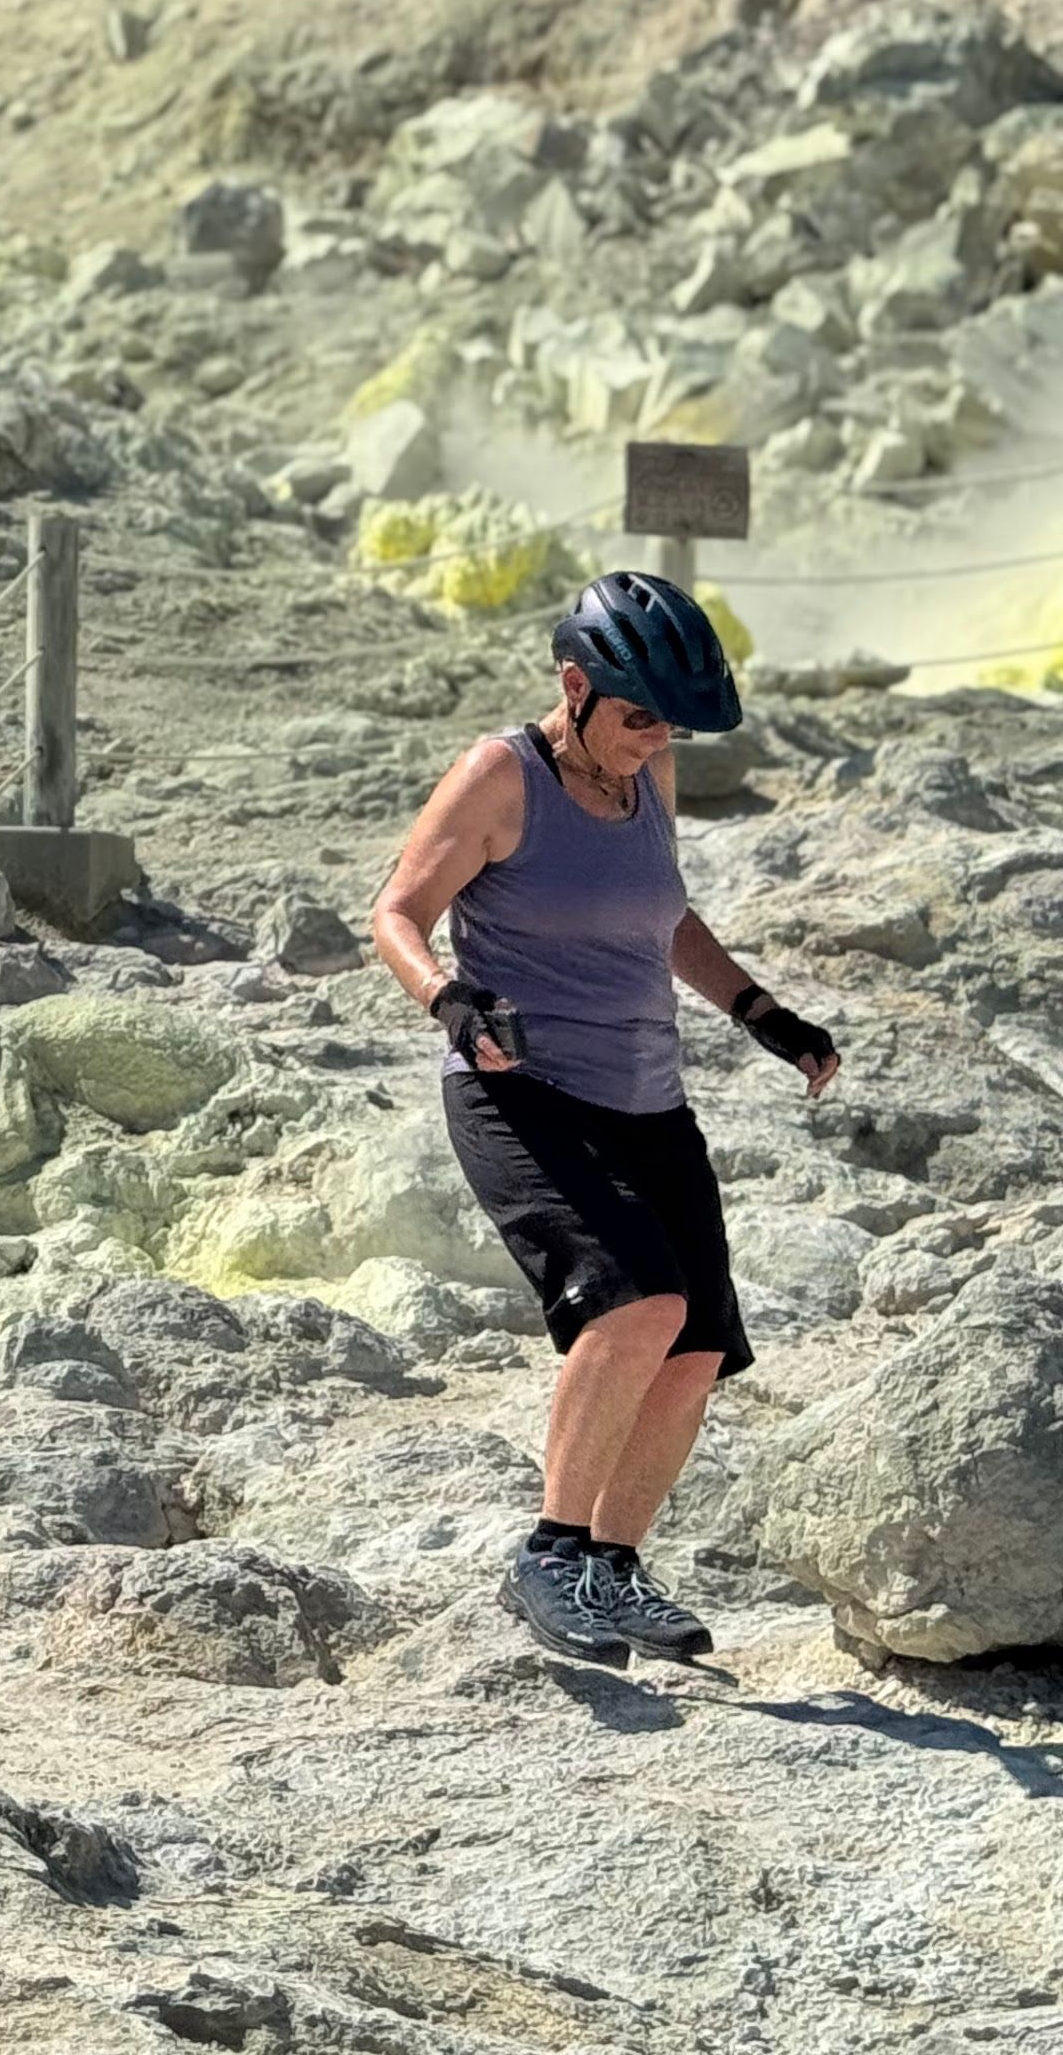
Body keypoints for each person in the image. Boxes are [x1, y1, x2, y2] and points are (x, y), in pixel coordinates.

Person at [370, 570, 840, 1668]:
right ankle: (548, 1554)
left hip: (649, 1098)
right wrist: (448, 997)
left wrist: (761, 1013)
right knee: (634, 1306)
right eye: (635, 716)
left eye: (665, 721)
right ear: (575, 688)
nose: (651, 738)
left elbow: (663, 915)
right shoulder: (501, 776)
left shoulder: (649, 773)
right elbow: (395, 911)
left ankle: (611, 1570)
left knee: (695, 1347)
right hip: (522, 1092)